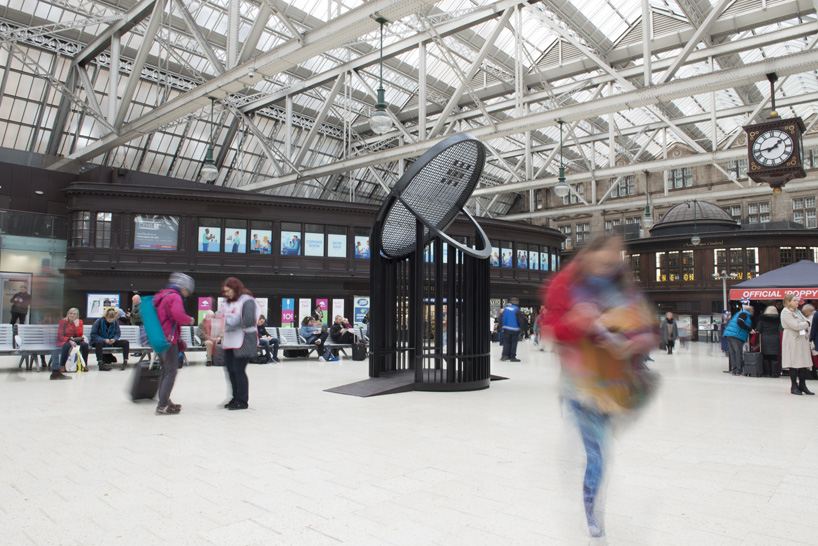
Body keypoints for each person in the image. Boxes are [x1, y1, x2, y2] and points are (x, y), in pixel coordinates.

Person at [541, 234, 658, 542]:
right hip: (582, 384)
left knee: (601, 448)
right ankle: (593, 516)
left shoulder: (621, 284)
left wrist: (634, 339)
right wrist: (579, 321)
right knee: (598, 456)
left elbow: (646, 327)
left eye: (615, 261)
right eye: (605, 260)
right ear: (589, 255)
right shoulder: (565, 284)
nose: (609, 266)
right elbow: (552, 328)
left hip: (615, 383)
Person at [154, 273, 195, 415]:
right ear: (182, 287)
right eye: (188, 290)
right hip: (169, 338)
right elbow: (178, 315)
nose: (188, 294)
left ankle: (164, 400)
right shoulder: (175, 297)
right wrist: (189, 320)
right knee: (171, 371)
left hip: (159, 337)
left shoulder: (163, 295)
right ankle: (163, 405)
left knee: (165, 370)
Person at [221, 277, 260, 410]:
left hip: (245, 339)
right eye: (224, 291)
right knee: (230, 370)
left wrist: (230, 325)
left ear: (235, 288)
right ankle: (235, 397)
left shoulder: (247, 300)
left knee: (238, 370)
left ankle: (242, 401)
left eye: (228, 291)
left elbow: (248, 320)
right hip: (230, 339)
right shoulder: (227, 302)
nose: (226, 294)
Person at [781, 293, 813, 395]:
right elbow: (795, 325)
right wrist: (806, 324)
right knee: (793, 363)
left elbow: (806, 320)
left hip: (802, 340)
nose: (797, 302)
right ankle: (794, 386)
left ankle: (802, 385)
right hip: (792, 340)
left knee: (803, 363)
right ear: (788, 302)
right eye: (794, 300)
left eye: (797, 300)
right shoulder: (785, 312)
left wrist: (805, 324)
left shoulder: (798, 312)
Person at [53, 307, 87, 380]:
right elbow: (60, 335)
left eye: (74, 314)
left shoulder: (79, 322)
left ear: (77, 316)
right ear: (67, 314)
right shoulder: (63, 322)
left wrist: (76, 326)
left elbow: (80, 335)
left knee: (84, 345)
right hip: (65, 340)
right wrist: (68, 340)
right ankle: (62, 365)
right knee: (66, 346)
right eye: (70, 313)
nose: (72, 315)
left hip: (76, 340)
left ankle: (84, 365)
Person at [723, 303, 755, 376]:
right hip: (736, 335)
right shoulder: (744, 314)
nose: (753, 313)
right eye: (752, 311)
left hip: (729, 334)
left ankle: (733, 369)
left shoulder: (738, 314)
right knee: (738, 352)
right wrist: (749, 329)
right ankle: (738, 370)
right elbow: (740, 322)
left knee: (732, 352)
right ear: (749, 311)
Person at [757, 306, 782, 377]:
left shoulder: (762, 319)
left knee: (766, 356)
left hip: (765, 338)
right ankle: (774, 373)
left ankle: (767, 373)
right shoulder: (779, 319)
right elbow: (781, 328)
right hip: (775, 338)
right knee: (774, 356)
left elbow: (759, 329)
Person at [499, 297, 527, 362]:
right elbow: (520, 320)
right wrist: (522, 328)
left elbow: (500, 319)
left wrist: (501, 327)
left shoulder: (505, 309)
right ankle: (512, 357)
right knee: (514, 343)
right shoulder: (517, 309)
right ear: (517, 302)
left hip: (505, 329)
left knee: (506, 342)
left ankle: (504, 356)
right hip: (515, 329)